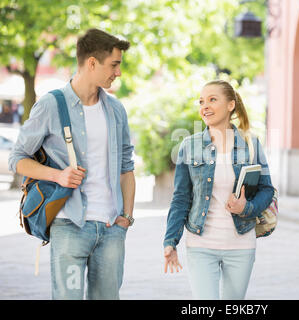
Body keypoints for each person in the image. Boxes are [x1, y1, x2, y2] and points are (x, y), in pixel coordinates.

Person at [8, 28, 136, 300]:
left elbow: (127, 167)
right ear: (92, 63)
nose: (118, 73)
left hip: (112, 227)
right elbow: (17, 158)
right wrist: (57, 175)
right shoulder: (51, 104)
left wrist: (127, 216)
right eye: (114, 65)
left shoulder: (116, 110)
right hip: (70, 225)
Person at [163, 79, 274, 299]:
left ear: (231, 104)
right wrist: (170, 241)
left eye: (213, 100)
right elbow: (181, 198)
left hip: (241, 243)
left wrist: (247, 207)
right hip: (201, 243)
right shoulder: (190, 145)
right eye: (201, 101)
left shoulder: (251, 143)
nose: (205, 106)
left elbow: (267, 189)